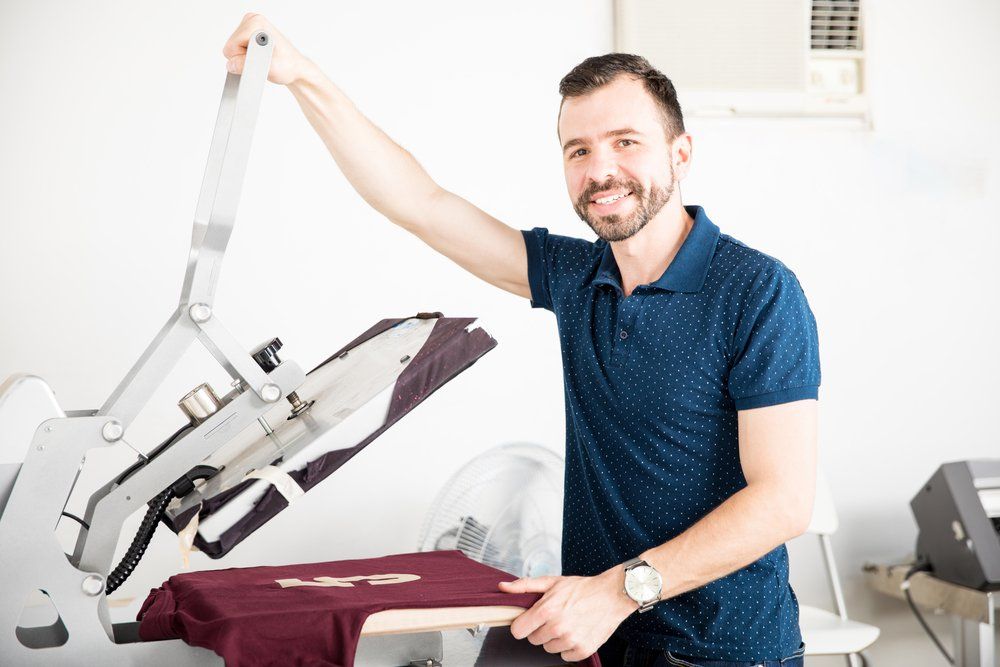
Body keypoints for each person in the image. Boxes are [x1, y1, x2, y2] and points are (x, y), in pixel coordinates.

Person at [223, 13, 819, 667]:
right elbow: (419, 202)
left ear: (680, 153)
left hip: (723, 651)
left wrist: (621, 590)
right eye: (579, 149)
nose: (602, 169)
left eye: (626, 142)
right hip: (593, 639)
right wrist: (302, 75)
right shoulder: (575, 274)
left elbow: (783, 500)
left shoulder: (756, 291)